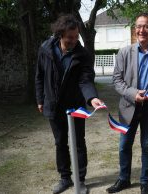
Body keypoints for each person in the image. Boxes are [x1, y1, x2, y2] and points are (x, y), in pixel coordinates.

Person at [35, 14, 103, 194]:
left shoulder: (83, 55)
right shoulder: (45, 49)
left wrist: (91, 98)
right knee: (60, 142)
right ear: (60, 35)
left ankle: (80, 180)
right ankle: (64, 178)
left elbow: (86, 80)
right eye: (70, 38)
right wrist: (40, 99)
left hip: (76, 106)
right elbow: (39, 76)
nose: (74, 40)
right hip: (53, 105)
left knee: (79, 143)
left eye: (76, 37)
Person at [106, 13, 148, 194]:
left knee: (147, 145)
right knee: (124, 145)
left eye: (146, 26)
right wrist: (133, 94)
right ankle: (124, 179)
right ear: (135, 29)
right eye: (138, 26)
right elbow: (117, 80)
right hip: (129, 106)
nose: (142, 30)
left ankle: (145, 183)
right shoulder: (124, 52)